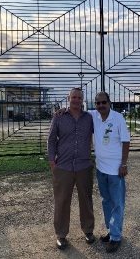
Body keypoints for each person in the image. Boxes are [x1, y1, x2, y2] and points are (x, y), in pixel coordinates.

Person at [47, 87, 95, 250]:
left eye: (79, 98)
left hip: (84, 166)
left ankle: (88, 230)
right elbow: (51, 139)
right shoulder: (59, 117)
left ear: (83, 100)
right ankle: (61, 235)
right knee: (62, 201)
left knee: (86, 200)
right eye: (73, 97)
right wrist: (52, 161)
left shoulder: (89, 118)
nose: (76, 100)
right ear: (69, 98)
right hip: (63, 166)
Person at [89, 92, 130, 253]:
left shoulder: (118, 118)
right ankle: (111, 230)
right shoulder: (94, 116)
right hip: (101, 169)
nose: (100, 106)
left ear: (109, 103)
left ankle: (116, 237)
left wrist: (124, 164)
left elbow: (126, 142)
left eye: (103, 102)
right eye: (97, 103)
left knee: (117, 203)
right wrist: (61, 110)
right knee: (106, 201)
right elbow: (76, 109)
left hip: (115, 170)